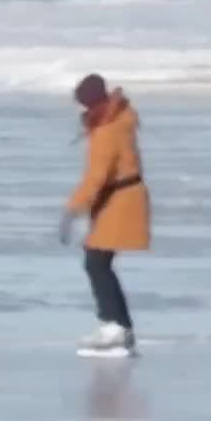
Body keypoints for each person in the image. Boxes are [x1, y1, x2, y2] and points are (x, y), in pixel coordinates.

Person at [57, 73, 150, 352]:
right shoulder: (114, 119)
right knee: (98, 261)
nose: (80, 111)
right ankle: (119, 326)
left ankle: (115, 327)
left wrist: (72, 210)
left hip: (119, 200)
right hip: (119, 198)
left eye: (82, 105)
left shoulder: (107, 129)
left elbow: (97, 176)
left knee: (96, 262)